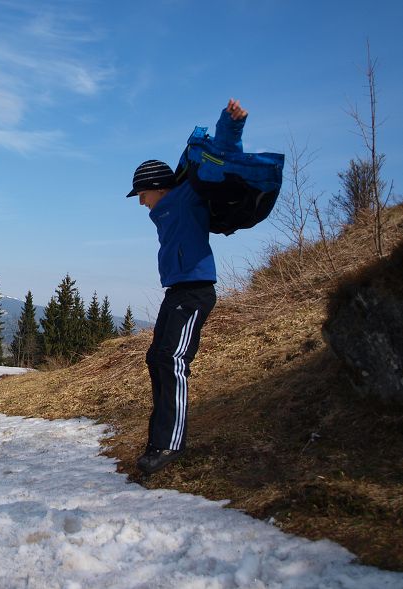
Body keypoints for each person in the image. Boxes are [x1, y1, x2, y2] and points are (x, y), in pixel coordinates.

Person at [126, 98, 248, 474]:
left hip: (196, 291)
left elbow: (220, 159)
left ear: (158, 188)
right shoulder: (165, 210)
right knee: (156, 358)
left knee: (173, 360)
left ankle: (170, 444)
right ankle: (158, 438)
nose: (141, 203)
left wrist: (231, 124)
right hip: (177, 292)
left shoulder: (187, 197)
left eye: (142, 194)